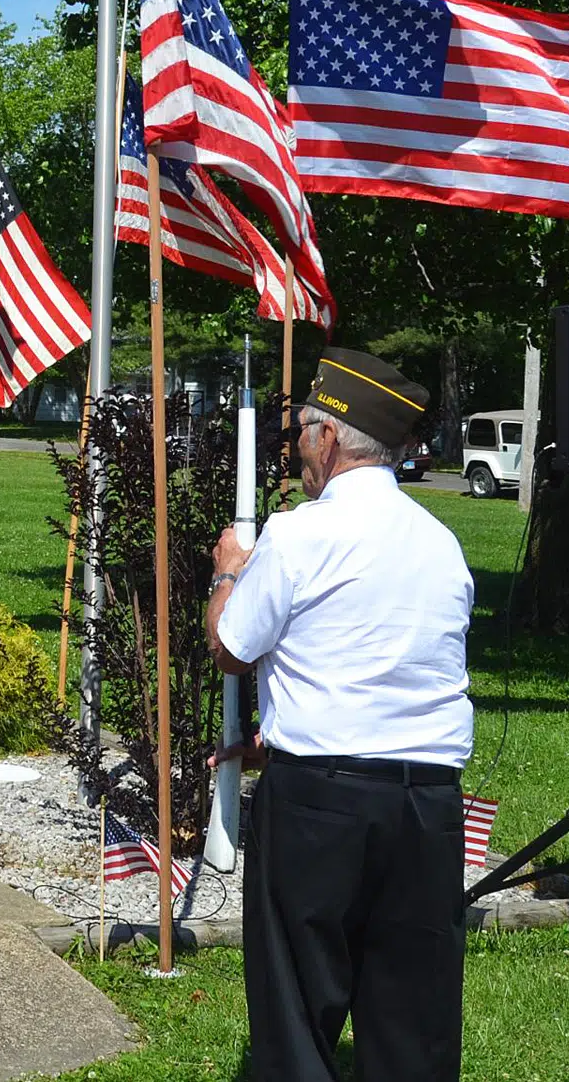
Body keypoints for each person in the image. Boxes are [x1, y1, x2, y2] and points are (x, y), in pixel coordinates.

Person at [205, 348, 473, 1081]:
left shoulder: (298, 534)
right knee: (412, 1025)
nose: (295, 448)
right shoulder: (443, 546)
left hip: (321, 804)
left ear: (329, 440)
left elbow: (231, 647)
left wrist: (231, 567)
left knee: (297, 1011)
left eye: (300, 432)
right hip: (427, 805)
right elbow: (392, 666)